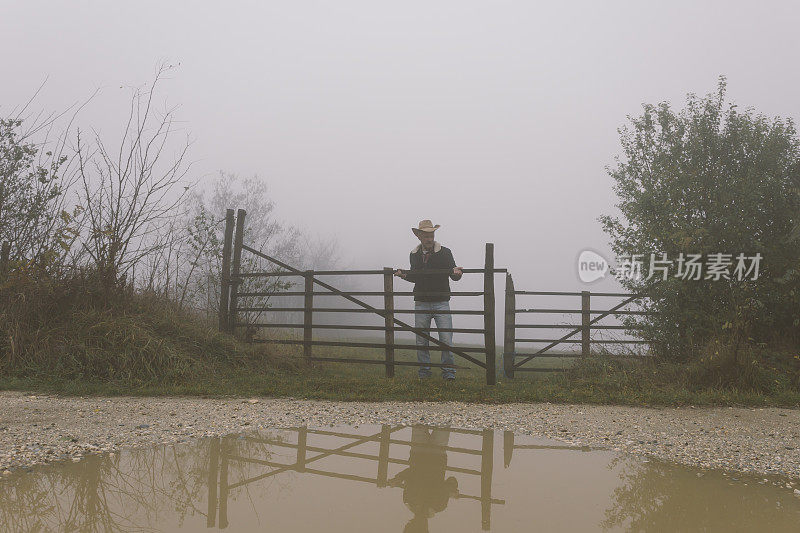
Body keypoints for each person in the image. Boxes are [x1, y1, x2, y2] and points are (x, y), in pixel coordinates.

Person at [394, 220, 463, 380]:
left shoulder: (445, 252)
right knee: (421, 340)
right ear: (419, 236)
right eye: (426, 236)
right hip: (421, 302)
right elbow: (415, 276)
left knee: (446, 339)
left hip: (441, 302)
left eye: (431, 235)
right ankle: (424, 373)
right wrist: (404, 275)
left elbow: (453, 274)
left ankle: (449, 374)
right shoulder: (414, 255)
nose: (429, 239)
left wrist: (457, 273)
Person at [388, 425, 458, 533]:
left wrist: (451, 489)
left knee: (441, 419)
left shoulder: (438, 506)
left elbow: (451, 480)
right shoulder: (409, 501)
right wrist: (399, 478)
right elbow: (411, 472)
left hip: (433, 455)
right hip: (421, 453)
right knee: (423, 417)